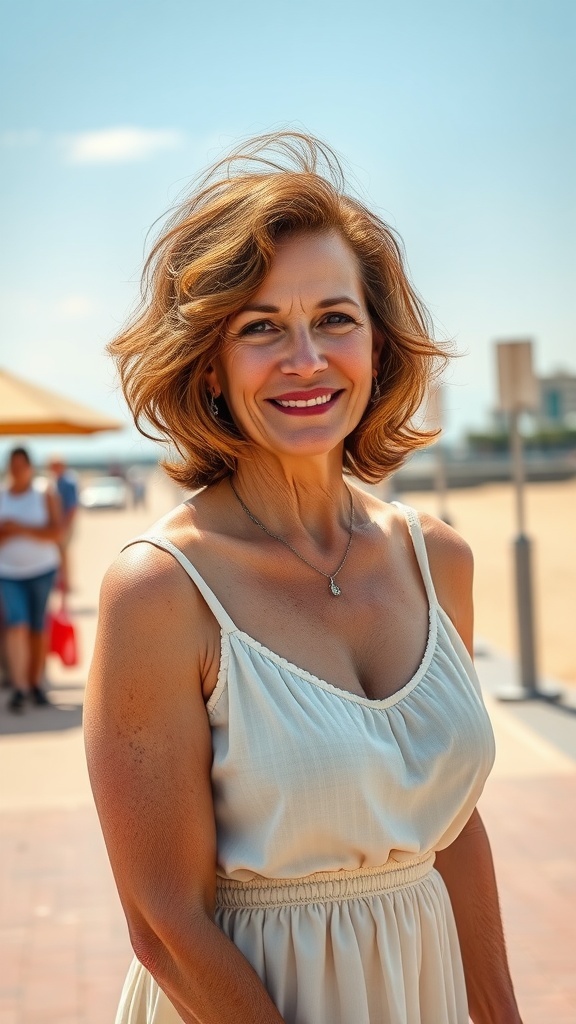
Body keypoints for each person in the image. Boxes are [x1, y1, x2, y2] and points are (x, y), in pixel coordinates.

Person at [84, 133, 522, 1024]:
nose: (308, 360)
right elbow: (163, 922)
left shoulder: (438, 561)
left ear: (376, 342)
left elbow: (450, 827)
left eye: (334, 318)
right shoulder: (162, 592)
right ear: (209, 363)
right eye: (261, 329)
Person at [0, 446, 61, 711]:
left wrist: (19, 528)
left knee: (37, 627)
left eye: (21, 466)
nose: (17, 471)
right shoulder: (2, 496)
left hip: (42, 570)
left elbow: (56, 532)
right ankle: (20, 687)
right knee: (16, 624)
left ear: (29, 467)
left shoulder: (44, 493)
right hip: (8, 572)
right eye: (12, 467)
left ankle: (35, 683)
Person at [48, 454, 79, 593]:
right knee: (59, 554)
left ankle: (65, 583)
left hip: (64, 525)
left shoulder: (67, 482)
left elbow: (72, 507)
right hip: (60, 525)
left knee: (63, 554)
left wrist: (65, 526)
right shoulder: (57, 481)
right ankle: (62, 582)